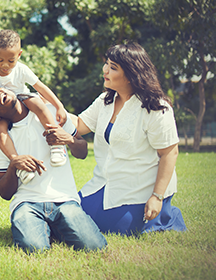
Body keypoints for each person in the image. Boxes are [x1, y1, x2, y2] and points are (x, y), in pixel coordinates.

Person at [0, 83, 108, 253]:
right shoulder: (0, 142)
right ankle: (46, 227)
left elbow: (82, 151)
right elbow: (4, 193)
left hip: (64, 200)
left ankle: (52, 226)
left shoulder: (51, 114)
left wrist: (68, 139)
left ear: (7, 89)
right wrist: (13, 165)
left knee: (94, 247)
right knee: (34, 249)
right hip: (27, 204)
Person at [74, 42, 187, 236]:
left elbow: (169, 153)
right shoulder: (105, 101)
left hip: (139, 188)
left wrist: (157, 197)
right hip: (104, 183)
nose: (105, 70)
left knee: (116, 228)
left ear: (132, 75)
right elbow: (78, 125)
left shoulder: (156, 107)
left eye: (113, 67)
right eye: (107, 64)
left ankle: (167, 215)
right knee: (71, 216)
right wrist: (44, 108)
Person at [0, 29, 67, 184]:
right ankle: (17, 163)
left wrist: (59, 105)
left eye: (11, 61)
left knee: (37, 102)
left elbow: (41, 88)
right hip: (1, 110)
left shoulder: (21, 70)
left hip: (21, 100)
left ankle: (56, 144)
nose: (5, 65)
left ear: (19, 55)